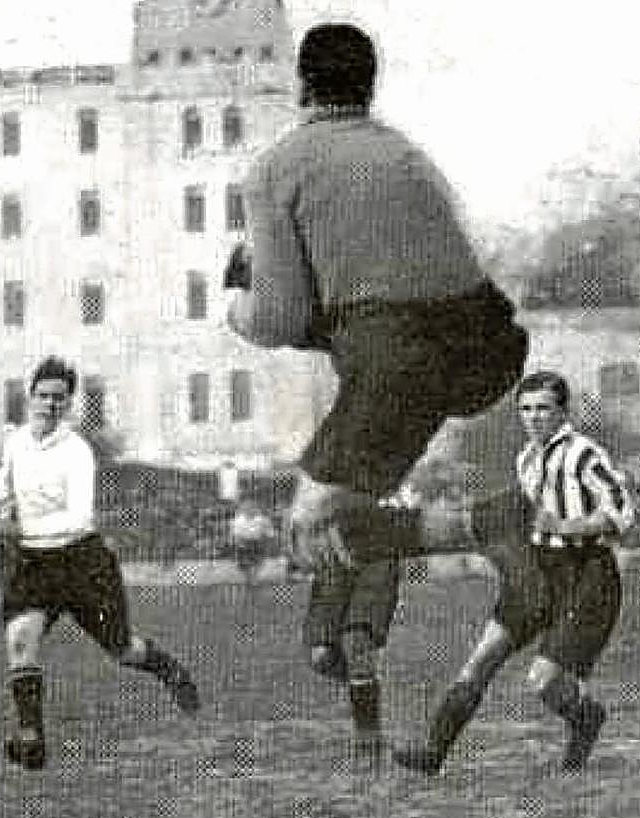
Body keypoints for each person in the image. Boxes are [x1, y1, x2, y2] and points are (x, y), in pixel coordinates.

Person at [223, 21, 529, 760]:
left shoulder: (273, 169)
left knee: (314, 524)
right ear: (368, 84)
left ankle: (477, 528)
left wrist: (239, 305)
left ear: (301, 86)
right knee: (350, 517)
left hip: (399, 352)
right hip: (487, 343)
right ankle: (486, 525)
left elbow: (282, 318)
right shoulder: (409, 155)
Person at [0, 357, 200, 770]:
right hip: (35, 563)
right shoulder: (18, 441)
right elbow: (2, 481)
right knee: (20, 640)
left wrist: (15, 527)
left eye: (58, 399)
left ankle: (168, 669)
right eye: (42, 396)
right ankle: (31, 736)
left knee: (121, 648)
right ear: (30, 398)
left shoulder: (77, 452)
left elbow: (79, 518)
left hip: (82, 563)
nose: (49, 405)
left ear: (69, 404)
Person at [394, 371, 632, 775]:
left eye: (543, 408)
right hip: (537, 577)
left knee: (544, 682)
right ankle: (433, 754)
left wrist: (565, 526)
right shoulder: (526, 460)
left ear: (562, 410)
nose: (534, 417)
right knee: (480, 661)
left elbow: (622, 513)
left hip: (586, 578)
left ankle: (585, 718)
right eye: (526, 409)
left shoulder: (584, 454)